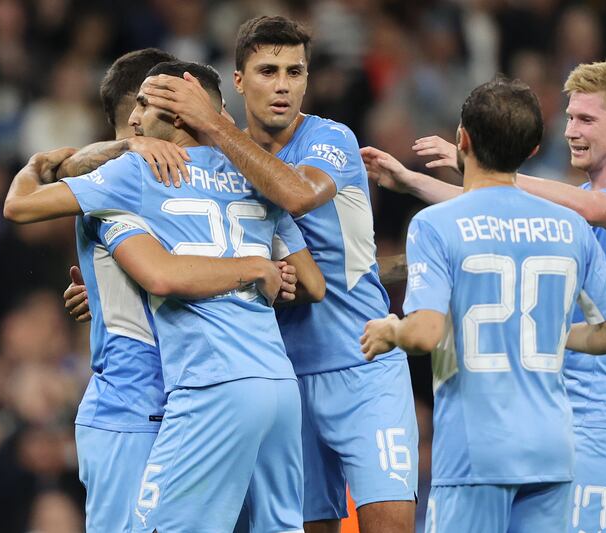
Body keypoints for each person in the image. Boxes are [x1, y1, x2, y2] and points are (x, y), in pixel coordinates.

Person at [362, 58, 606, 532]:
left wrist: (490, 167)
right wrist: (418, 182)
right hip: (564, 404)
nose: (572, 130)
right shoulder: (567, 210)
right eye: (570, 117)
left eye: (587, 119)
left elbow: (577, 206)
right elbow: (493, 209)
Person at [4, 61, 322, 533]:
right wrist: (265, 273)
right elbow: (312, 282)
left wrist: (36, 164)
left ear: (177, 113)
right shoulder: (256, 173)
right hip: (270, 381)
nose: (136, 120)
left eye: (146, 107)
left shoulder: (135, 174)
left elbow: (21, 206)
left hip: (196, 387)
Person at [139, 15, 419, 533]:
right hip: (283, 377)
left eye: (296, 71)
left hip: (364, 365)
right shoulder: (218, 163)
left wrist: (216, 125)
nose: (284, 85)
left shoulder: (328, 140)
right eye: (268, 70)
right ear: (240, 80)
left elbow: (296, 194)